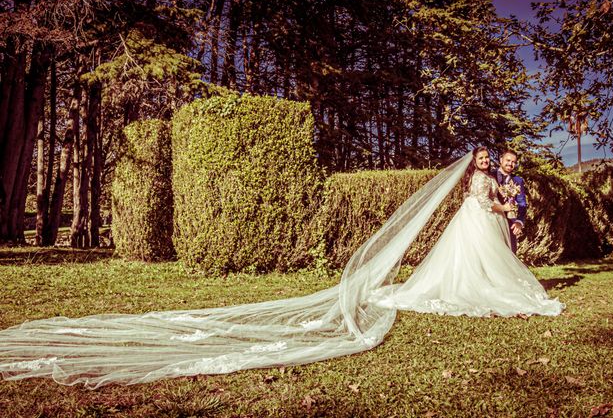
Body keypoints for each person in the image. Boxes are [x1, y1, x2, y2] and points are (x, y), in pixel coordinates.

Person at [0, 147, 563, 388]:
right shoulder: (479, 181)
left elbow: (488, 198)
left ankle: (477, 285)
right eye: (487, 158)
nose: (489, 162)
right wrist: (501, 205)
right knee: (463, 267)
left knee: (475, 263)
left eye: (492, 158)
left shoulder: (486, 176)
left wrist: (501, 205)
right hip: (479, 221)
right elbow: (484, 198)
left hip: (481, 223)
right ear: (479, 163)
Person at [368, 146, 564, 317]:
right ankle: (476, 287)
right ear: (475, 161)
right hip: (478, 218)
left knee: (482, 254)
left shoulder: (491, 175)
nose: (485, 160)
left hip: (482, 217)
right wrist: (504, 208)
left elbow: (499, 196)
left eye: (487, 157)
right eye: (481, 158)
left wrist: (509, 203)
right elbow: (484, 201)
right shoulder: (480, 177)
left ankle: (486, 282)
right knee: (480, 251)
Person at [495, 149, 527, 253]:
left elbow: (522, 203)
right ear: (501, 160)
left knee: (510, 253)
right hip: (491, 219)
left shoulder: (518, 180)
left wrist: (519, 221)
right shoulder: (489, 175)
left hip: (510, 222)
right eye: (508, 160)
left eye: (514, 162)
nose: (510, 164)